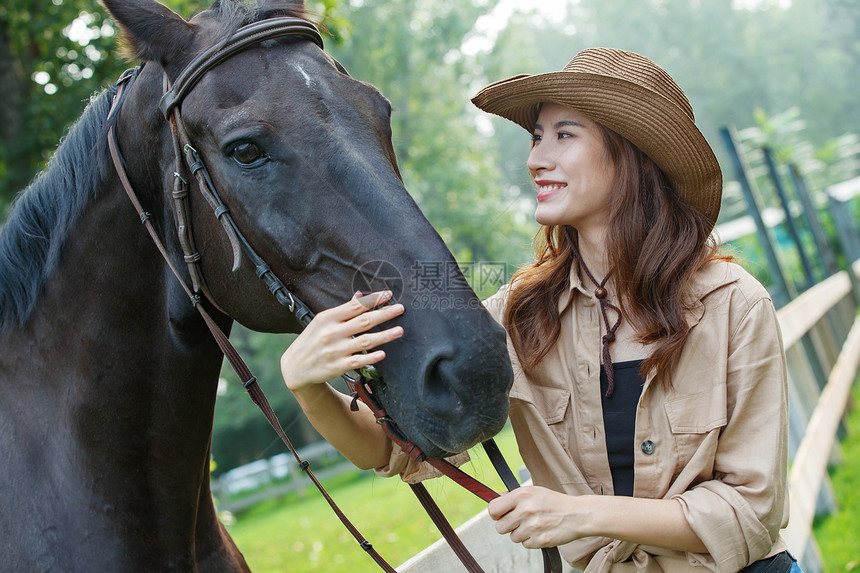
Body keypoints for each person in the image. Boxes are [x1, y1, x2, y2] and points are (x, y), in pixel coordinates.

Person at [281, 48, 796, 572]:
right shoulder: (521, 315)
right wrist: (307, 386)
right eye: (536, 136)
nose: (535, 159)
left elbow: (750, 513)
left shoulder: (734, 304)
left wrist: (583, 514)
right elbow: (397, 449)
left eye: (564, 134)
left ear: (632, 153)